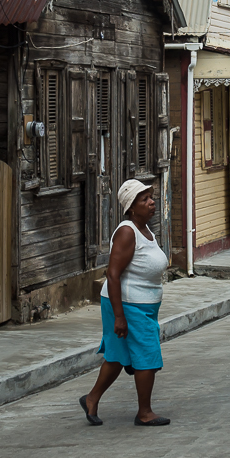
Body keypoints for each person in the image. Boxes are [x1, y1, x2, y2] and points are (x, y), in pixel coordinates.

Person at [80, 179, 171, 427]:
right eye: (144, 199)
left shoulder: (145, 230)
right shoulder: (127, 231)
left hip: (143, 305)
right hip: (129, 306)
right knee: (147, 356)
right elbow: (112, 274)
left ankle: (91, 398)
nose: (152, 202)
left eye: (151, 197)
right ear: (131, 207)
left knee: (118, 356)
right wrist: (120, 316)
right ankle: (145, 412)